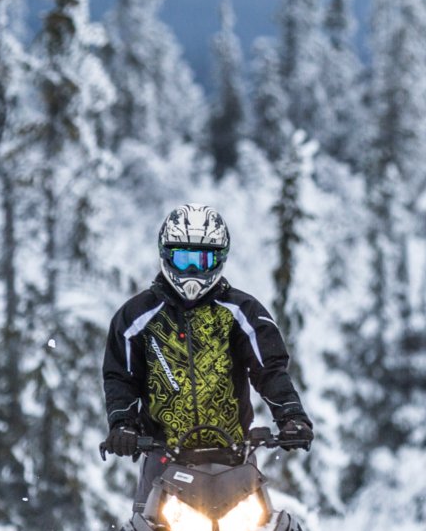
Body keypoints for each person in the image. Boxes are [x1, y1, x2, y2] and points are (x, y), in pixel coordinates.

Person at [100, 203, 313, 495]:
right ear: (166, 255)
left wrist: (291, 416)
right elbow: (120, 376)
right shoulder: (136, 317)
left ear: (220, 259)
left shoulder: (242, 312)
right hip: (164, 457)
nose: (192, 270)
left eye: (203, 260)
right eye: (183, 258)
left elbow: (269, 368)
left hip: (234, 456)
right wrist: (123, 424)